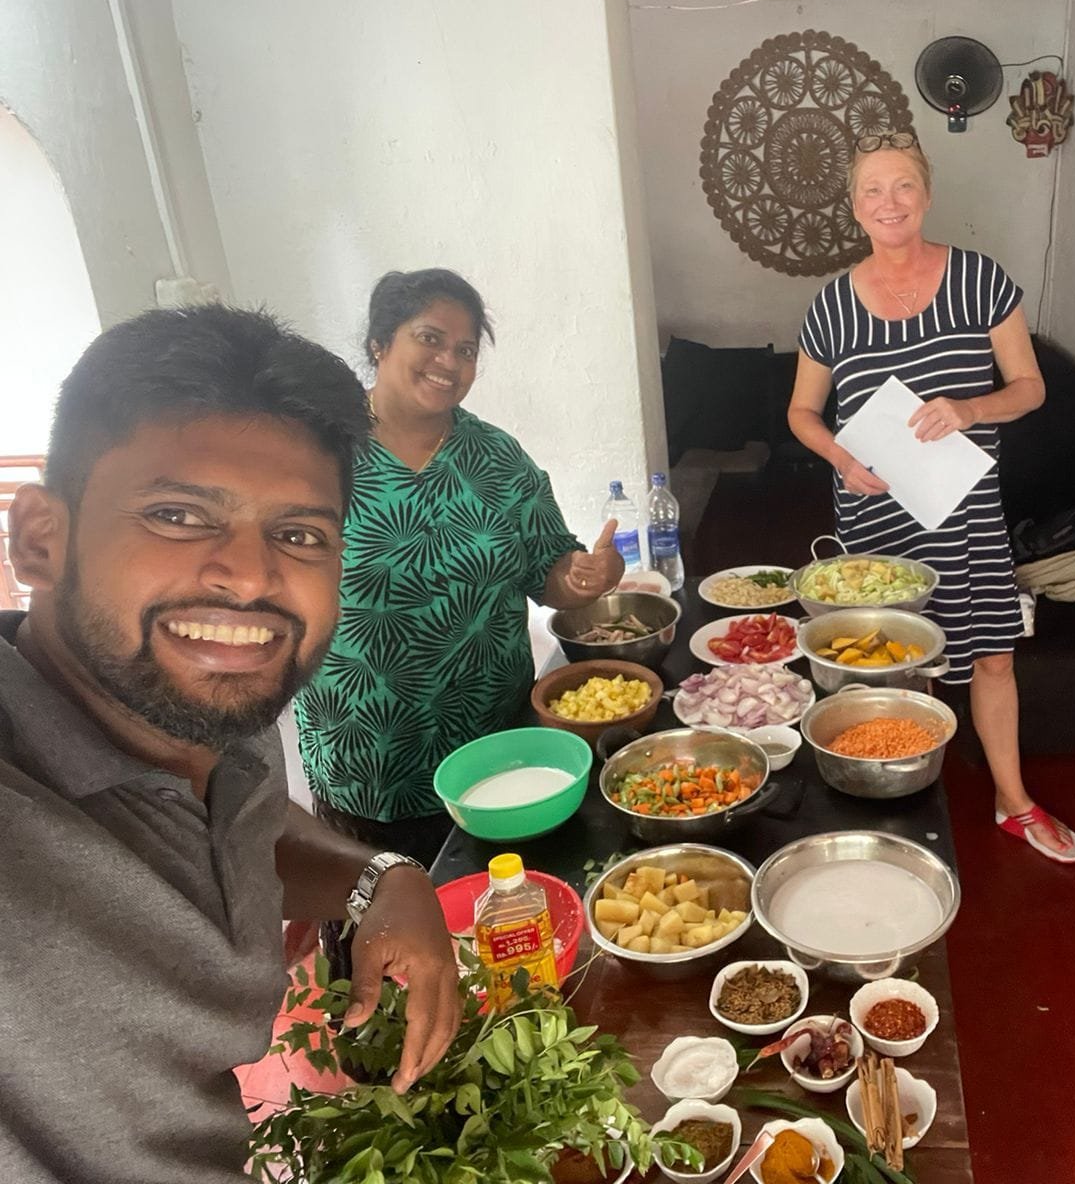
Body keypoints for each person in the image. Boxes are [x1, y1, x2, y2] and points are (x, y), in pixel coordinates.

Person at [0, 306, 461, 1183]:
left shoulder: (216, 724)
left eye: (299, 534)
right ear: (40, 538)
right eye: (177, 515)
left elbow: (237, 825)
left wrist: (378, 878)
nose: (249, 575)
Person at [788, 131, 1075, 862]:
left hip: (964, 511)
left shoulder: (980, 281)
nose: (889, 203)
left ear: (926, 195)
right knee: (886, 667)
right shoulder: (831, 306)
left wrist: (971, 409)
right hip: (875, 513)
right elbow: (801, 413)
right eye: (872, 192)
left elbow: (1031, 388)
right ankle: (887, 801)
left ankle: (1012, 801)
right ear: (855, 207)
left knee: (991, 657)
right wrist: (839, 456)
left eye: (903, 187)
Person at [294, 269, 622, 867]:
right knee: (381, 930)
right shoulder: (317, 453)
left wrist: (581, 578)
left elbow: (550, 572)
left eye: (466, 350)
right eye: (430, 338)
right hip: (369, 757)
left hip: (495, 752)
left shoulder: (495, 457)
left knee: (501, 921)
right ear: (379, 342)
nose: (449, 360)